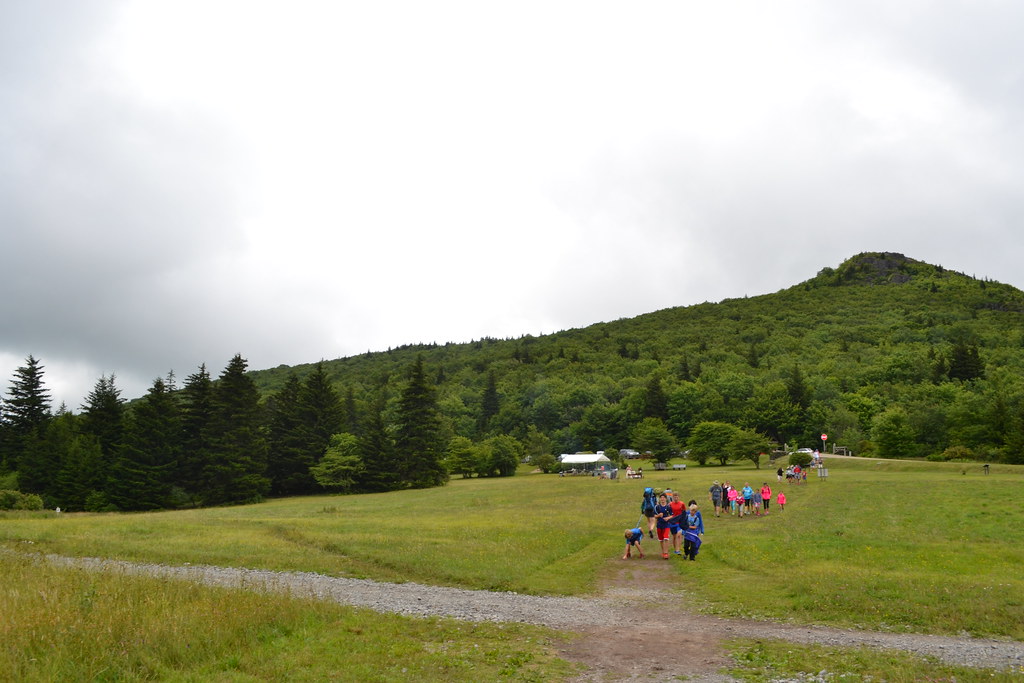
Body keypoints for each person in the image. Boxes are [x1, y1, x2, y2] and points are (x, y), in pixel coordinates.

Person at [654, 493, 673, 559]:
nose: (662, 499)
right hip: (659, 524)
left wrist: (668, 518)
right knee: (661, 539)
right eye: (661, 498)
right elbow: (655, 516)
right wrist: (658, 515)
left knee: (666, 538)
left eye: (663, 498)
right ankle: (663, 552)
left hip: (666, 524)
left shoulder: (668, 507)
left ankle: (666, 553)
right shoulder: (657, 507)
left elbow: (672, 515)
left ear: (665, 499)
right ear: (659, 499)